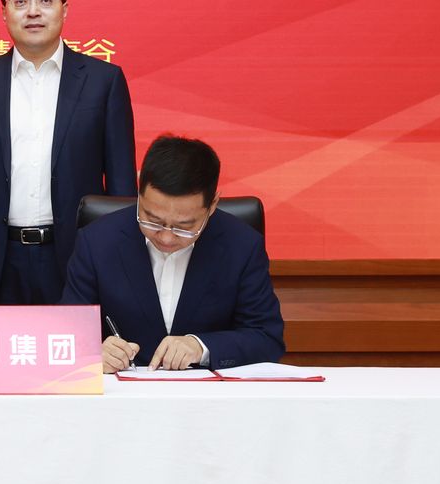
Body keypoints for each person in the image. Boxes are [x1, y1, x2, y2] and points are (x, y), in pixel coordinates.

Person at [0, 0, 135, 305]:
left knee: (77, 342)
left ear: (64, 10)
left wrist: (118, 260)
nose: (33, 12)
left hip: (79, 257)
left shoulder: (103, 81)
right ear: (4, 13)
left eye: (45, 1)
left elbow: (121, 186)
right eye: (20, 2)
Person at [62, 134, 284, 372]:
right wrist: (92, 352)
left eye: (184, 227)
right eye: (152, 220)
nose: (166, 237)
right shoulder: (97, 241)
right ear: (139, 190)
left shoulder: (242, 245)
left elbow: (267, 338)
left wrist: (201, 347)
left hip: (206, 390)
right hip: (122, 388)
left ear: (212, 205)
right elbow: (66, 333)